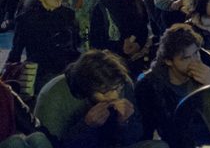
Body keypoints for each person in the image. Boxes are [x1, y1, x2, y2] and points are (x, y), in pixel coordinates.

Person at [33, 50, 165, 148]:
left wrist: (125, 123)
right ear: (87, 89)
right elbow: (49, 144)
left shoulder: (122, 83)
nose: (114, 96)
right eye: (105, 92)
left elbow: (133, 139)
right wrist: (86, 126)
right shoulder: (55, 94)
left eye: (116, 88)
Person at [135, 24, 210, 147]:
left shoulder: (208, 65)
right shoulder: (150, 85)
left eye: (196, 53)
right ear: (168, 61)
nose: (194, 61)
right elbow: (148, 131)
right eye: (186, 58)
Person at [7, 0, 80, 93]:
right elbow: (17, 50)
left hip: (68, 66)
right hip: (42, 69)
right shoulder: (26, 20)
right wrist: (7, 72)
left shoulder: (68, 14)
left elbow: (75, 44)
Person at [90, 0, 151, 76]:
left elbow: (144, 26)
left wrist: (138, 45)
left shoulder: (136, 1)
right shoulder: (101, 8)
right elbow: (96, 40)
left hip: (139, 57)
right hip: (114, 62)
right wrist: (120, 47)